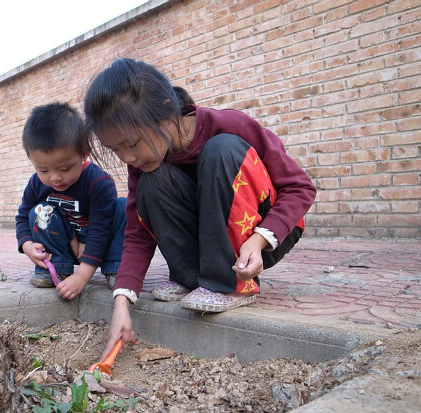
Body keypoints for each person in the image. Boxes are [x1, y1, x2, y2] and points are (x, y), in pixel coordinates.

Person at [83, 58, 316, 357]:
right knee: (152, 183)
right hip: (210, 239)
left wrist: (259, 240)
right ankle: (193, 278)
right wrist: (121, 305)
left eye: (132, 143)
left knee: (221, 150)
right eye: (116, 150)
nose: (127, 158)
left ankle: (229, 285)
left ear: (167, 112)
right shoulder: (144, 161)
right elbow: (137, 232)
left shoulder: (231, 125)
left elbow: (300, 188)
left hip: (263, 237)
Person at [15, 102, 127, 300]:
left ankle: (114, 267)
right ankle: (58, 267)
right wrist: (27, 245)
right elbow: (23, 216)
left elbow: (101, 228)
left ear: (84, 153)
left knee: (123, 206)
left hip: (98, 242)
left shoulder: (99, 182)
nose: (55, 178)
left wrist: (82, 277)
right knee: (39, 211)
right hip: (64, 241)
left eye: (65, 169)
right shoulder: (36, 184)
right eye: (43, 170)